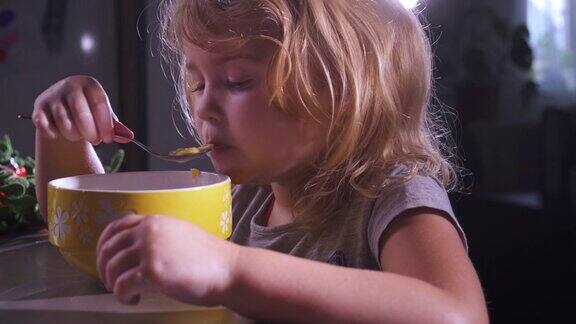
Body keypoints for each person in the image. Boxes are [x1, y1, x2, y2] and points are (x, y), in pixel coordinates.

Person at [32, 0, 489, 322]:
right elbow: (106, 245)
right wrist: (62, 136)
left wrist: (228, 269)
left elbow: (455, 314)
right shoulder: (244, 193)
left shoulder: (391, 195)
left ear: (341, 90)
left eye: (235, 81)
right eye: (197, 84)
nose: (203, 108)